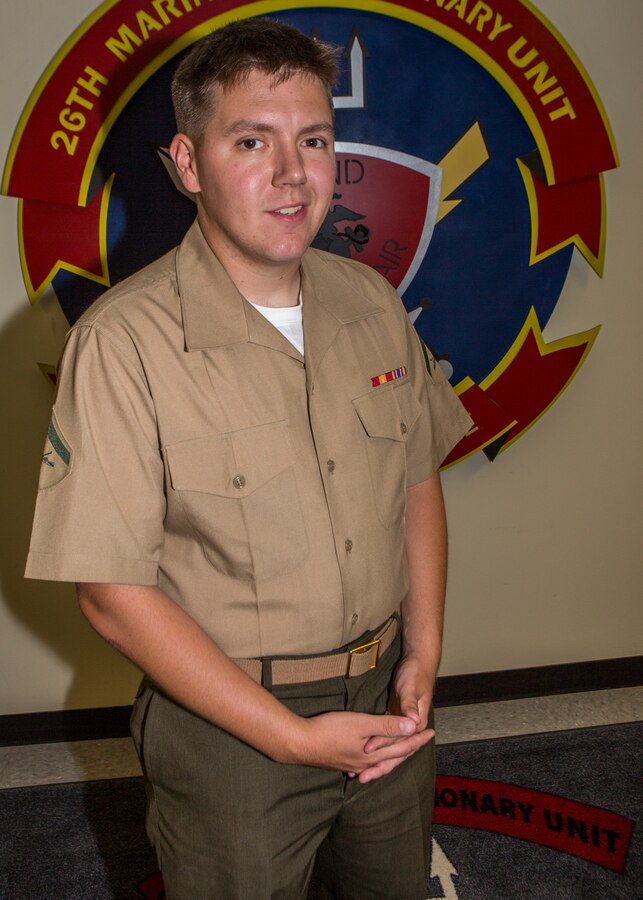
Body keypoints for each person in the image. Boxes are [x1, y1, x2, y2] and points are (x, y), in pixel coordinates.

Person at [25, 17, 471, 900]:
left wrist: (422, 654)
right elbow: (112, 597)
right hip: (230, 730)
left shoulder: (370, 301)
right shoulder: (125, 344)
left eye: (311, 140)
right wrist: (292, 739)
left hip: (387, 699)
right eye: (250, 141)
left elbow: (417, 481)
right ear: (188, 165)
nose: (291, 173)